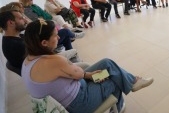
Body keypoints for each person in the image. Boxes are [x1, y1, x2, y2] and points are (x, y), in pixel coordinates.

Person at [21, 19, 154, 113]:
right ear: (44, 42)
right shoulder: (53, 61)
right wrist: (85, 75)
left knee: (107, 64)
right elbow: (78, 73)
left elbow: (76, 74)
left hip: (71, 90)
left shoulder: (27, 61)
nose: (58, 38)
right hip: (78, 103)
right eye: (55, 36)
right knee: (114, 79)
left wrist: (87, 75)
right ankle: (119, 105)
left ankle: (132, 81)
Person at [0, 4, 86, 73]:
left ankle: (74, 65)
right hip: (46, 68)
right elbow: (45, 59)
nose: (25, 20)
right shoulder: (17, 45)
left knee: (65, 40)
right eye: (21, 18)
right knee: (81, 60)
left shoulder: (13, 39)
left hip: (43, 64)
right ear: (11, 23)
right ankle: (76, 68)